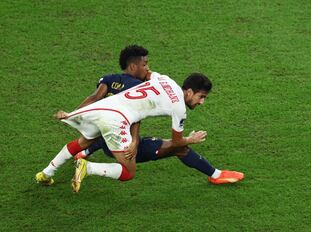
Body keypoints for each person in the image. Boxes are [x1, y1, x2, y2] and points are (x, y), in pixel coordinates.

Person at [36, 70, 214, 193]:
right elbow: (176, 143)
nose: (202, 102)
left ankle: (46, 173)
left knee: (83, 142)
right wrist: (191, 139)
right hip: (116, 118)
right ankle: (87, 167)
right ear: (189, 92)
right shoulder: (179, 109)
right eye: (201, 97)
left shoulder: (165, 79)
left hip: (105, 106)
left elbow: (147, 73)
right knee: (129, 172)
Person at [75, 135, 244, 185]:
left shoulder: (106, 114)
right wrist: (188, 139)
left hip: (113, 148)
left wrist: (85, 151)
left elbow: (101, 135)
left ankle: (85, 160)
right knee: (180, 148)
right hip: (134, 147)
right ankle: (216, 175)